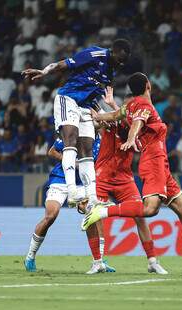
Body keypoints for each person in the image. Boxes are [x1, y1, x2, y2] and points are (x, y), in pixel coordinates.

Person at [85, 76, 182, 275]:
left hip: (162, 165)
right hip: (153, 163)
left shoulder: (130, 106)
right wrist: (130, 137)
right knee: (150, 209)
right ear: (148, 86)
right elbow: (137, 123)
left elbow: (114, 116)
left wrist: (101, 115)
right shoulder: (143, 105)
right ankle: (104, 212)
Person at [21, 38, 131, 209]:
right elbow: (63, 64)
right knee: (70, 140)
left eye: (124, 62)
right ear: (114, 51)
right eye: (120, 59)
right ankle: (72, 191)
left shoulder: (110, 73)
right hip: (68, 99)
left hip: (85, 107)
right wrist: (44, 71)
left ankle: (92, 196)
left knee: (87, 148)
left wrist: (102, 115)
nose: (121, 64)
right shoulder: (94, 54)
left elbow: (93, 96)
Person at [94, 92, 168, 274]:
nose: (132, 109)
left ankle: (152, 261)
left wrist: (113, 105)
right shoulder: (113, 121)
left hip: (124, 177)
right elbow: (100, 121)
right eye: (129, 106)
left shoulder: (137, 125)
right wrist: (99, 117)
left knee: (140, 215)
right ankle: (98, 261)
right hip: (103, 174)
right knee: (96, 217)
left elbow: (128, 120)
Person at [24, 137, 116, 274]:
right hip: (60, 179)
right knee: (51, 216)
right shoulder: (72, 132)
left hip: (82, 184)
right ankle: (30, 256)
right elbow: (52, 151)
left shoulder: (100, 141)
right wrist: (72, 162)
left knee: (94, 214)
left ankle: (99, 260)